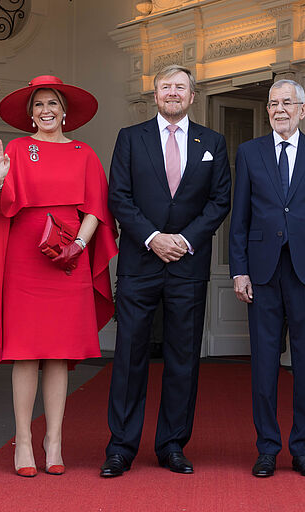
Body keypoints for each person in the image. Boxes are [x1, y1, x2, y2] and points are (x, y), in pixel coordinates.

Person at [0, 75, 118, 478]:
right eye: (39, 105)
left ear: (64, 111)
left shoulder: (84, 153)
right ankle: (23, 440)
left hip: (69, 256)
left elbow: (96, 208)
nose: (46, 111)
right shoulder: (17, 149)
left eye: (52, 104)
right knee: (24, 352)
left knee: (59, 352)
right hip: (25, 258)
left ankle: (53, 439)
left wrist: (78, 245)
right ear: (31, 114)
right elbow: (4, 207)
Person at [101, 64, 231, 478]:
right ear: (154, 95)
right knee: (129, 357)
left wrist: (184, 240)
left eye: (180, 87)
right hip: (140, 263)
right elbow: (118, 197)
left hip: (188, 264)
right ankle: (120, 447)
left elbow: (219, 201)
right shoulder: (130, 138)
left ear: (193, 96)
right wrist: (153, 237)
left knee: (183, 358)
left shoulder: (213, 141)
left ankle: (172, 444)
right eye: (165, 87)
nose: (172, 93)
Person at [229, 79, 305, 478]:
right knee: (263, 363)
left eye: (287, 103)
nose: (279, 109)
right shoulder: (249, 152)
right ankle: (266, 448)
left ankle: (302, 449)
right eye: (273, 103)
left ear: (303, 109)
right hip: (261, 271)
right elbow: (238, 217)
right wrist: (239, 269)